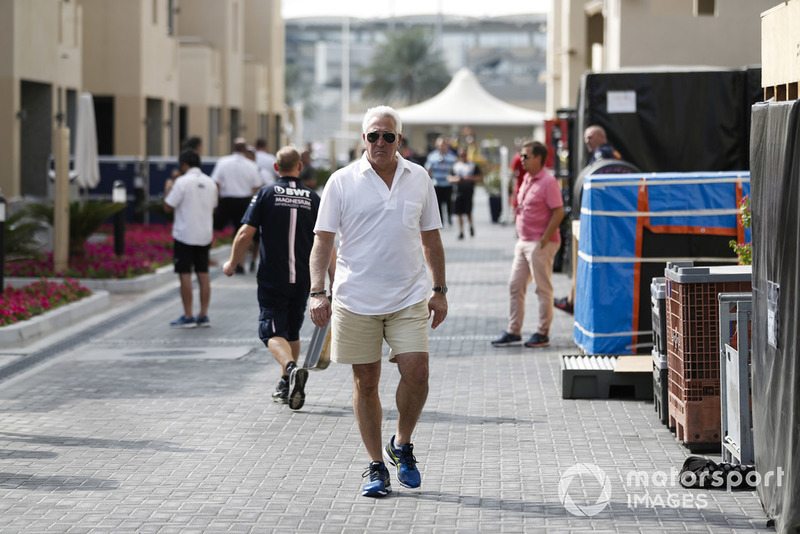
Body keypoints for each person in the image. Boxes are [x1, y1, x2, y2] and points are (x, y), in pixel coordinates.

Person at [308, 106, 448, 498]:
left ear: (399, 140)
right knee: (365, 381)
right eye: (374, 136)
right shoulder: (341, 181)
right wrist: (318, 291)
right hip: (355, 298)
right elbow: (323, 241)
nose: (381, 142)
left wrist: (440, 290)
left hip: (408, 296)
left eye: (388, 136)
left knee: (417, 372)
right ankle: (375, 465)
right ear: (363, 139)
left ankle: (401, 444)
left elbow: (431, 238)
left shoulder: (419, 178)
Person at [222, 146, 333, 410]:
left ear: (276, 168)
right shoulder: (312, 197)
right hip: (304, 278)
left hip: (274, 275)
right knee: (291, 331)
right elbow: (327, 241)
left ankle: (291, 368)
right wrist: (334, 278)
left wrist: (232, 263)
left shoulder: (266, 193)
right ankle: (286, 383)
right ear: (299, 167)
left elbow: (244, 234)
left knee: (270, 331)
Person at [492, 140, 564, 348]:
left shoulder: (548, 182)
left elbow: (558, 212)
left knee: (542, 289)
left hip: (540, 243)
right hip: (524, 242)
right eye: (522, 156)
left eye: (526, 156)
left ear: (539, 158)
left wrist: (543, 240)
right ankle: (514, 331)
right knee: (515, 286)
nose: (521, 160)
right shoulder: (528, 179)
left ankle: (543, 333)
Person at [553, 125, 622, 315]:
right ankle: (572, 299)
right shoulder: (612, 154)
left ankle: (573, 301)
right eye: (585, 138)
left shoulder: (603, 155)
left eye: (591, 137)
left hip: (603, 219)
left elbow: (601, 183)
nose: (587, 141)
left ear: (602, 136)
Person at [163, 149, 218, 328]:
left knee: (184, 275)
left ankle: (188, 315)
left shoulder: (181, 182)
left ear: (184, 164)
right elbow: (213, 207)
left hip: (184, 234)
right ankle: (203, 314)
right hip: (204, 234)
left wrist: (168, 187)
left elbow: (168, 207)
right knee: (203, 274)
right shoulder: (210, 183)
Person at [211, 138, 263, 273]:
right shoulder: (251, 165)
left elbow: (215, 182)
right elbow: (257, 186)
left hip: (226, 199)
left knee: (214, 229)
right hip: (244, 201)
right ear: (245, 149)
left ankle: (207, 255)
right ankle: (240, 263)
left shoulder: (223, 162)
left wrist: (218, 198)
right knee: (243, 233)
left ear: (233, 148)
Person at [447, 148, 482, 239]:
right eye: (461, 155)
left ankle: (470, 226)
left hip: (468, 191)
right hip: (458, 191)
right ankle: (461, 231)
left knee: (468, 211)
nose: (462, 157)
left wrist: (469, 178)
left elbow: (479, 178)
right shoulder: (455, 166)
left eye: (464, 155)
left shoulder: (472, 166)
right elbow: (449, 178)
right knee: (459, 213)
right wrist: (456, 179)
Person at [425, 136, 457, 227]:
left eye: (443, 145)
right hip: (436, 183)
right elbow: (428, 169)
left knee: (449, 201)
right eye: (439, 145)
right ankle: (441, 220)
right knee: (438, 203)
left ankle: (450, 217)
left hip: (448, 183)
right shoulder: (432, 157)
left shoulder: (451, 157)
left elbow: (454, 170)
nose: (441, 147)